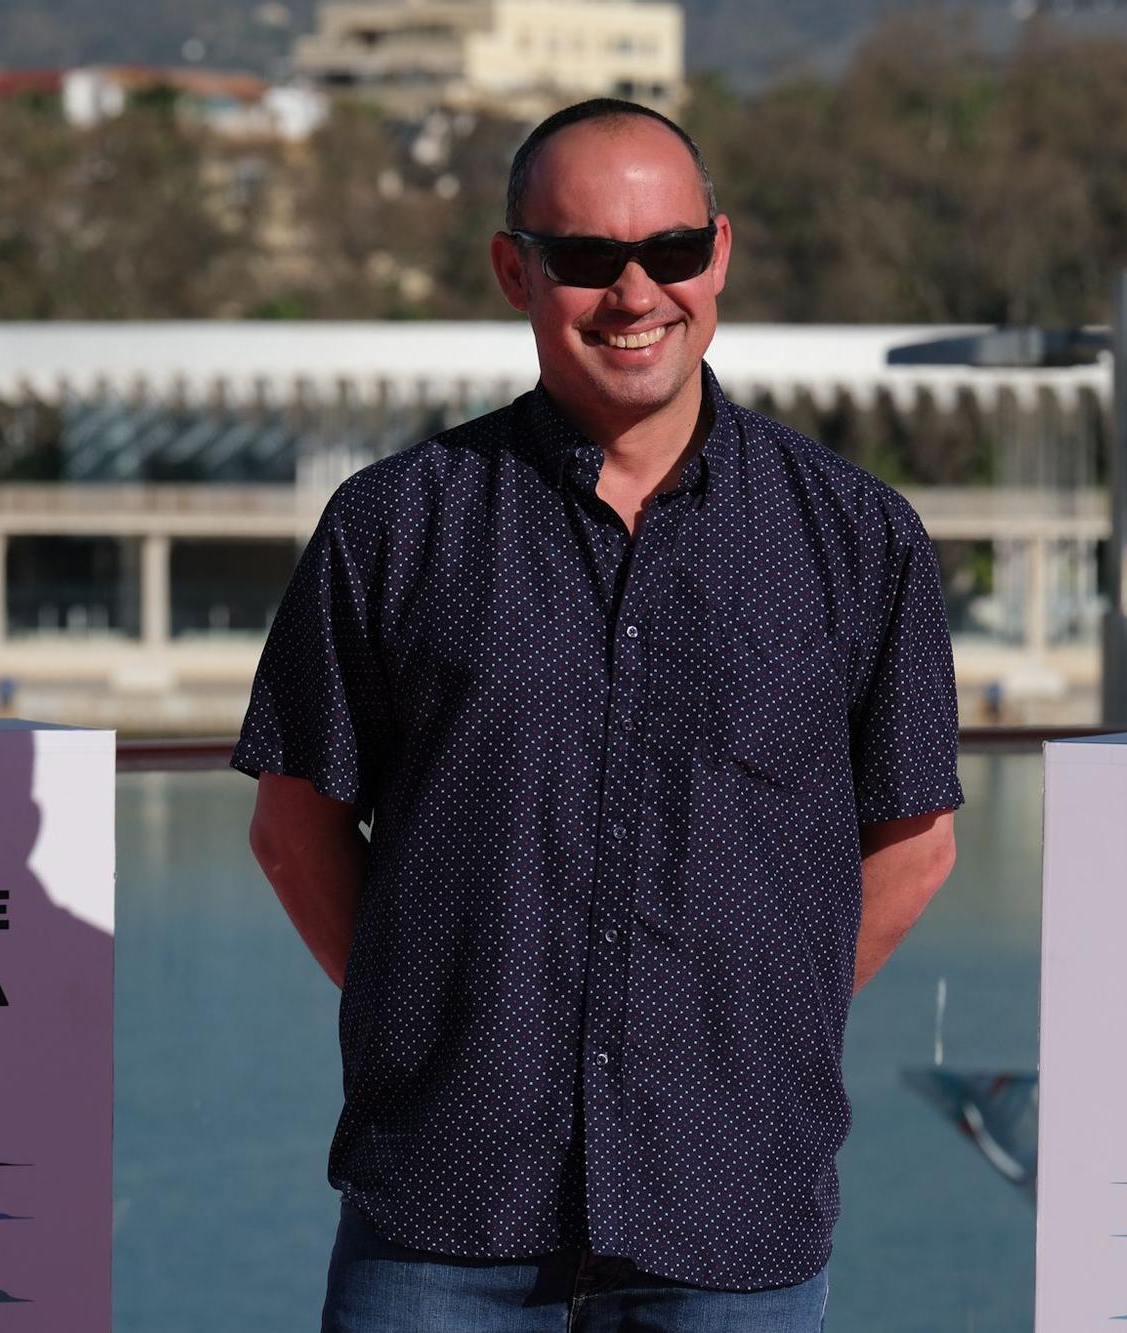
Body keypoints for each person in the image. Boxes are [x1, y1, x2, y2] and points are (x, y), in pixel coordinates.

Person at [234, 96, 962, 1332]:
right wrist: (435, 1020)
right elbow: (293, 824)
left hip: (736, 1212)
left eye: (669, 251)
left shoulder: (856, 536)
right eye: (586, 259)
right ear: (513, 270)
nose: (636, 294)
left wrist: (754, 1029)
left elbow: (915, 842)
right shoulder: (391, 525)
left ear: (717, 254)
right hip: (440, 1214)